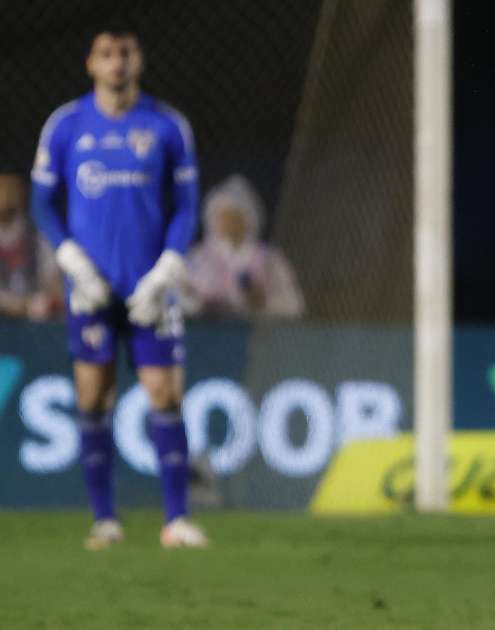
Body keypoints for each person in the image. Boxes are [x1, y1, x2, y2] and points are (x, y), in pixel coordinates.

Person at [30, 26, 208, 549]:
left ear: (139, 59)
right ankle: (105, 520)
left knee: (164, 394)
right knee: (93, 395)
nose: (117, 63)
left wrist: (168, 269)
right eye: (107, 54)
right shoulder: (65, 126)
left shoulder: (167, 126)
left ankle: (176, 520)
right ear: (91, 63)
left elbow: (187, 206)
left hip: (150, 288)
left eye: (125, 52)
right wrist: (71, 261)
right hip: (91, 289)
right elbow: (43, 203)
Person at [183, 173, 304, 319]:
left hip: (251, 337)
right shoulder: (197, 257)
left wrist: (262, 302)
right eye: (221, 216)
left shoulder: (269, 259)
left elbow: (294, 306)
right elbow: (176, 302)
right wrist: (194, 300)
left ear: (249, 220)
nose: (226, 223)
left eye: (233, 217)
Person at [0, 174, 62, 320]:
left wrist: (47, 299)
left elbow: (54, 278)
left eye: (10, 191)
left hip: (36, 314)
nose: (5, 197)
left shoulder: (36, 231)